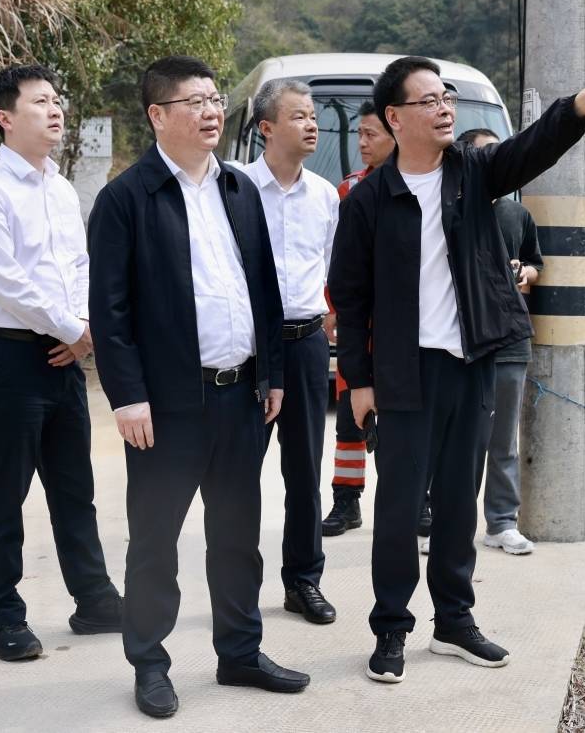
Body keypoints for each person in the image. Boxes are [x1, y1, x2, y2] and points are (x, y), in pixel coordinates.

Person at [329, 53, 585, 684]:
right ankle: (390, 628)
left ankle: (454, 621)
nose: (444, 108)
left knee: (457, 501)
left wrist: (581, 103)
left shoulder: (473, 174)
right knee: (399, 509)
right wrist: (359, 381)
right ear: (395, 118)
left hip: (471, 364)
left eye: (446, 97)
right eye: (428, 100)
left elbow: (532, 148)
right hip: (403, 375)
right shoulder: (368, 200)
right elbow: (351, 295)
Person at [88, 56, 310, 719]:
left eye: (215, 99)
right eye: (196, 102)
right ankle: (149, 662)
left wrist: (271, 373)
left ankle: (240, 650)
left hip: (241, 397)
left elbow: (263, 289)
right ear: (158, 115)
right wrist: (128, 396)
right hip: (166, 406)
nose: (213, 111)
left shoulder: (238, 188)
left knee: (238, 534)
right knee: (156, 541)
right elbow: (110, 311)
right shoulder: (127, 199)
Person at [0, 64, 122, 663]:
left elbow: (79, 267)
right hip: (10, 358)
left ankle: (95, 600)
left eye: (57, 100)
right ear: (6, 117)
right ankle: (2, 616)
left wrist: (81, 331)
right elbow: (8, 281)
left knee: (75, 489)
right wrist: (76, 330)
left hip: (63, 358)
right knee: (5, 493)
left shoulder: (60, 188)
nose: (56, 111)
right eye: (41, 101)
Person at [243, 80, 339, 625]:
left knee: (304, 470)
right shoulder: (235, 188)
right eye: (299, 116)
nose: (312, 125)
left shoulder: (324, 196)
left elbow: (327, 267)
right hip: (250, 348)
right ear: (266, 128)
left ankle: (303, 581)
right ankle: (238, 584)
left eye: (314, 116)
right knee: (239, 471)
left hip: (305, 345)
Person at [459, 127, 541, 556]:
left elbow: (535, 265)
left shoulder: (517, 214)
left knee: (503, 439)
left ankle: (502, 522)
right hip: (462, 343)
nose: (498, 160)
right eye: (487, 153)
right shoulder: (450, 208)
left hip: (510, 340)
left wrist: (524, 272)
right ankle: (451, 523)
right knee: (460, 440)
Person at [321, 101, 395, 537]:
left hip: (405, 327)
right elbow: (334, 258)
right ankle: (346, 501)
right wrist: (332, 306)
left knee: (405, 420)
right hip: (358, 325)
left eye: (371, 135)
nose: (363, 143)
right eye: (360, 133)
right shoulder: (348, 190)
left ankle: (415, 501)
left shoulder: (421, 185)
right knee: (351, 416)